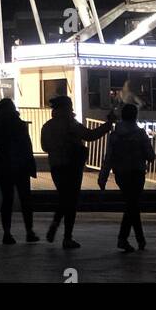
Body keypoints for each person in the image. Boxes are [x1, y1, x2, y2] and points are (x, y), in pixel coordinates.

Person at [40, 95, 113, 249]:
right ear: (67, 108)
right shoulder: (70, 124)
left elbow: (44, 147)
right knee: (71, 201)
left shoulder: (47, 126)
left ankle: (55, 224)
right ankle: (67, 237)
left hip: (55, 166)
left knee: (63, 197)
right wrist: (108, 125)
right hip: (72, 166)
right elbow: (90, 135)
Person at [98, 103, 155, 252]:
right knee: (133, 205)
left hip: (121, 173)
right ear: (135, 116)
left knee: (132, 205)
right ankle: (124, 238)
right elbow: (150, 155)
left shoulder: (115, 135)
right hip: (137, 172)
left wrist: (103, 176)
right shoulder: (140, 134)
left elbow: (109, 157)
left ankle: (140, 240)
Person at [0, 98, 38, 245]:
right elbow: (27, 146)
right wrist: (31, 166)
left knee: (7, 200)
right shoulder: (19, 124)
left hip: (3, 166)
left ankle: (7, 233)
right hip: (21, 166)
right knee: (25, 200)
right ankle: (29, 231)